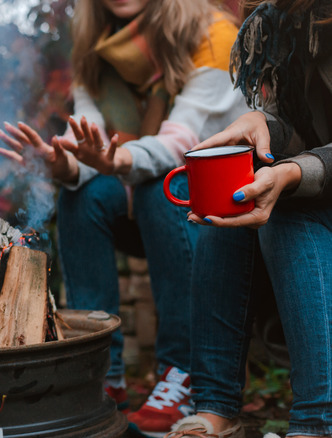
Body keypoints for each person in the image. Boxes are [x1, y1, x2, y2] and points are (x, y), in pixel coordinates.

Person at [0, 0, 250, 435]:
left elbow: (180, 145)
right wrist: (64, 165)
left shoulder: (213, 35)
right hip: (143, 192)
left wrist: (112, 161)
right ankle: (100, 373)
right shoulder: (94, 50)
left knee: (159, 185)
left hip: (214, 200)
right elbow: (91, 144)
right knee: (81, 195)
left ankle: (181, 372)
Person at [166, 0, 332, 437]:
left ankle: (318, 421)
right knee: (231, 203)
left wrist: (294, 171)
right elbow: (303, 124)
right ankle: (216, 409)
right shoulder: (280, 20)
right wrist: (264, 122)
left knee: (286, 209)